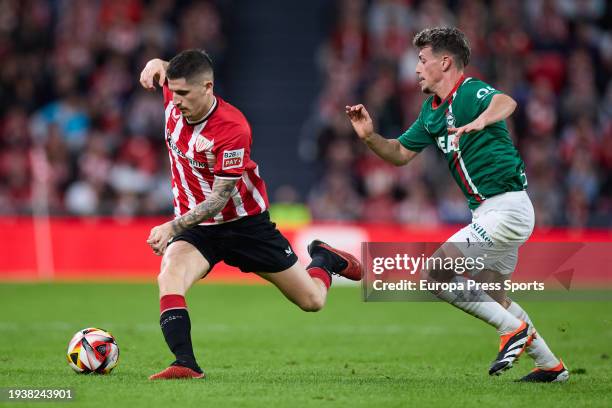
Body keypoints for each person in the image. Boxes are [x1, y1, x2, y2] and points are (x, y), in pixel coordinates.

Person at [346, 27, 568, 383]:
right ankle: (551, 366)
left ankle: (512, 331)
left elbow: (505, 102)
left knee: (435, 273)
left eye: (422, 60)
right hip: (490, 212)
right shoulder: (431, 113)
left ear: (445, 62)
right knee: (495, 294)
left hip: (507, 208)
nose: (416, 68)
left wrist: (482, 118)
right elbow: (401, 154)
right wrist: (370, 137)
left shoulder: (468, 92)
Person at [139, 50, 362, 380]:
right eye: (174, 92)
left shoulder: (232, 128)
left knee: (312, 301)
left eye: (184, 94)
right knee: (170, 275)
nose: (177, 100)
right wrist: (155, 64)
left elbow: (218, 199)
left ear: (208, 87)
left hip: (245, 225)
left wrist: (172, 226)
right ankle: (185, 363)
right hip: (199, 228)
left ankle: (325, 260)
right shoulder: (175, 93)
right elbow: (162, 71)